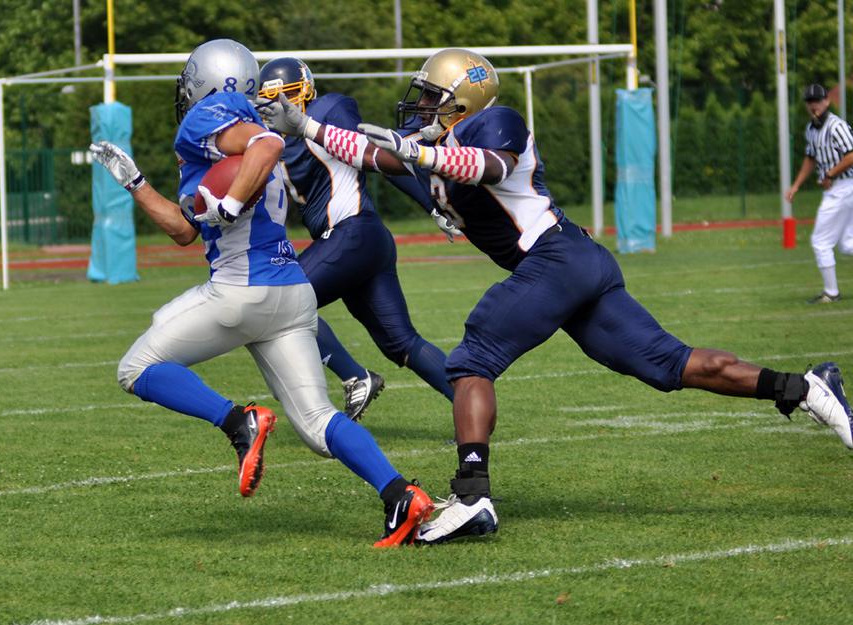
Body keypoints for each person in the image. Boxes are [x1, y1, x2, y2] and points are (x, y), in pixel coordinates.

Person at [258, 48, 853, 545]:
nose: (421, 107)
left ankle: (472, 497)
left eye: (433, 96)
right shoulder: (434, 141)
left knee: (471, 360)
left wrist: (418, 153)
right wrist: (307, 128)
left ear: (463, 99)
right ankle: (805, 388)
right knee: (670, 365)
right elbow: (375, 153)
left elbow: (487, 167)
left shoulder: (496, 122)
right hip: (570, 265)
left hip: (556, 257)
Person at [89, 38, 433, 547]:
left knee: (135, 369)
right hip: (291, 294)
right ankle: (401, 495)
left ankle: (238, 422)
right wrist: (135, 182)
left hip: (241, 291)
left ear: (206, 80)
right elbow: (184, 230)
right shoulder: (239, 124)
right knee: (318, 424)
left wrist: (228, 205)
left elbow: (266, 147)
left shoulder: (211, 115)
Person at [255, 57, 455, 416]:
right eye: (271, 99)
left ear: (306, 92)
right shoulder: (268, 140)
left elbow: (375, 157)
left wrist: (431, 205)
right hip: (354, 243)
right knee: (401, 343)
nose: (281, 105)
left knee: (279, 299)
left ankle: (354, 377)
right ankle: (472, 408)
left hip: (353, 233)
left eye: (288, 95)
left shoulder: (327, 110)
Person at [786, 82, 853, 304]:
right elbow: (810, 158)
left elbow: (851, 155)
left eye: (817, 100)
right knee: (846, 244)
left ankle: (831, 292)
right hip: (838, 188)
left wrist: (830, 174)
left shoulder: (836, 126)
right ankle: (831, 291)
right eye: (810, 101)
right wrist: (796, 185)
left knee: (820, 241)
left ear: (827, 101)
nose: (813, 104)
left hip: (844, 187)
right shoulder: (811, 128)